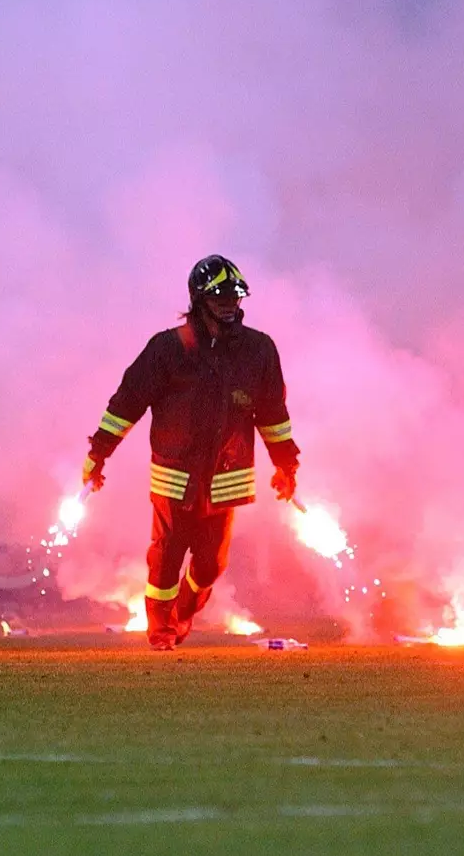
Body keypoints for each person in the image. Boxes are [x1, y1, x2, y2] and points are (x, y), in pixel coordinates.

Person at [82, 255, 300, 651]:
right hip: (175, 474)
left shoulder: (259, 351)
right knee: (164, 560)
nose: (229, 304)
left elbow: (273, 415)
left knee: (210, 565)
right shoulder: (168, 349)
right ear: (198, 300)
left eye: (234, 296)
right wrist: (99, 453)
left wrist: (286, 465)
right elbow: (127, 403)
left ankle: (183, 613)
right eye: (219, 297)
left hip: (226, 475)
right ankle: (161, 629)